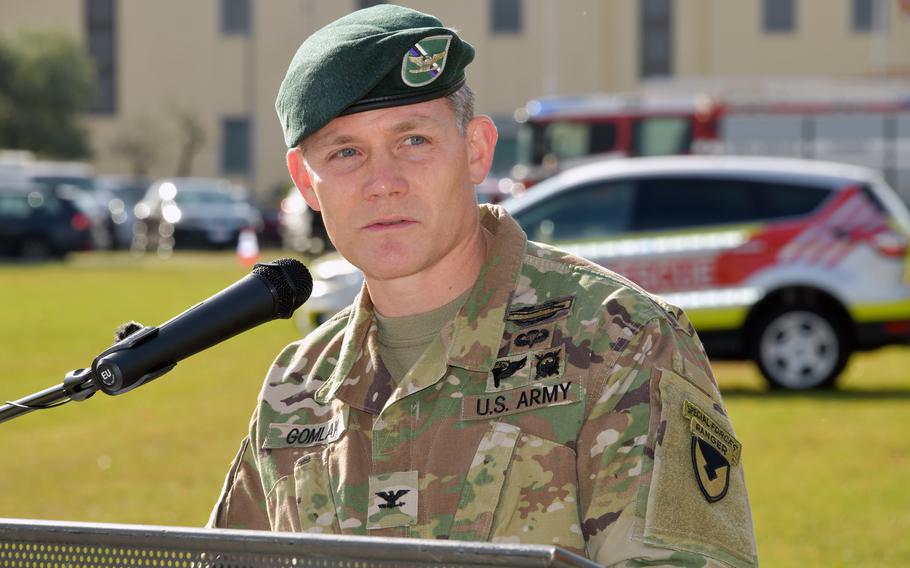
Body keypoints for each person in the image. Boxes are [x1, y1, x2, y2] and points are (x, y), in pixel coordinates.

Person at [209, 5, 757, 566]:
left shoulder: (620, 342)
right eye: (346, 152)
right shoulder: (296, 388)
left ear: (476, 150)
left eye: (414, 141)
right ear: (307, 181)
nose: (383, 183)